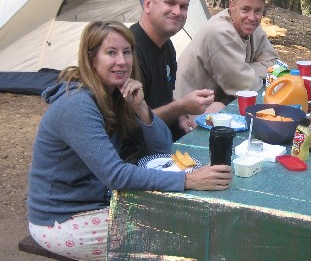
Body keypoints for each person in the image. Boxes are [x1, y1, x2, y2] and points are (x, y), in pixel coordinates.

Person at [27, 21, 232, 261]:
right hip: (63, 220)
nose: (122, 61)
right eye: (111, 53)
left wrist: (141, 107)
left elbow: (162, 149)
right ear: (91, 58)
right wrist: (189, 179)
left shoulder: (115, 94)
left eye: (127, 52)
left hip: (97, 202)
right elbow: (115, 175)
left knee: (186, 219)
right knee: (178, 235)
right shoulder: (77, 105)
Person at [174, 0, 279, 114]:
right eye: (245, 9)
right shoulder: (220, 32)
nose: (252, 17)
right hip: (185, 112)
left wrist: (245, 69)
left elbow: (276, 66)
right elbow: (247, 88)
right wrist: (247, 73)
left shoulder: (251, 28)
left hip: (216, 102)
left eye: (258, 11)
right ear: (232, 6)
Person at [130, 0, 215, 140]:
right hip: (143, 151)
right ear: (147, 4)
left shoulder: (167, 46)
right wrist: (181, 107)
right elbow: (134, 124)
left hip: (168, 135)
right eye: (170, 3)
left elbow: (165, 97)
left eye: (183, 6)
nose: (177, 12)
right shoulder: (128, 50)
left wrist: (181, 117)